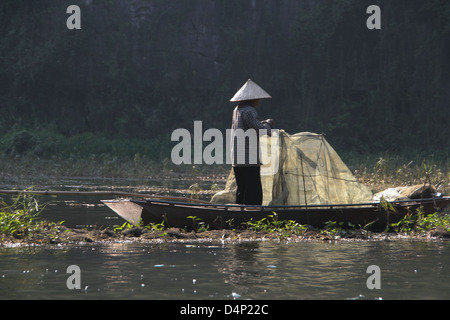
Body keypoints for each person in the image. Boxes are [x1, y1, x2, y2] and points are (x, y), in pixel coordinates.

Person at [229, 79, 274, 205]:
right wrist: (269, 124)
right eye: (257, 98)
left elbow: (251, 125)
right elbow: (262, 131)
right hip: (248, 159)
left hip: (237, 159)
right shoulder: (249, 110)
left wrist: (262, 123)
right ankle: (252, 218)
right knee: (253, 192)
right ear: (252, 99)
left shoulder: (237, 110)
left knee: (242, 191)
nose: (258, 101)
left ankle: (239, 218)